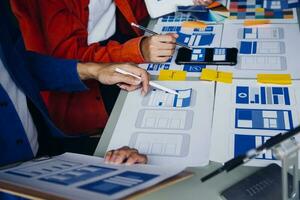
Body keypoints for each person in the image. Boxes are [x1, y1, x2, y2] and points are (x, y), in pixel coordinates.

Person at [0, 2, 148, 168]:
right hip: (19, 179)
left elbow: (19, 64)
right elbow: (66, 52)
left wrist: (94, 70)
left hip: (49, 148)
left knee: (139, 158)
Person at [10, 0, 179, 135]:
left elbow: (136, 10)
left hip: (117, 51)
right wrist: (137, 50)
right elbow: (69, 61)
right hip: (81, 90)